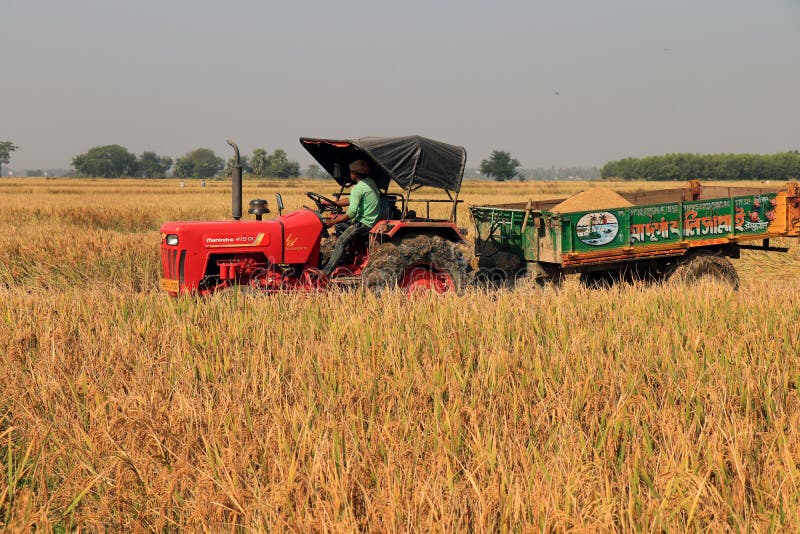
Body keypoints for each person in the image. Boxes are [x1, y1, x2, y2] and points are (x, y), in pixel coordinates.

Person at [321, 159, 380, 275]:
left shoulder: (357, 189)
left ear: (354, 174)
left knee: (340, 242)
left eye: (351, 172)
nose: (350, 174)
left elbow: (351, 213)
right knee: (340, 226)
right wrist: (334, 203)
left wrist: (332, 222)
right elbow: (352, 200)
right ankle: (348, 254)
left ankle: (326, 271)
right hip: (371, 220)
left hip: (364, 224)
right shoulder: (370, 182)